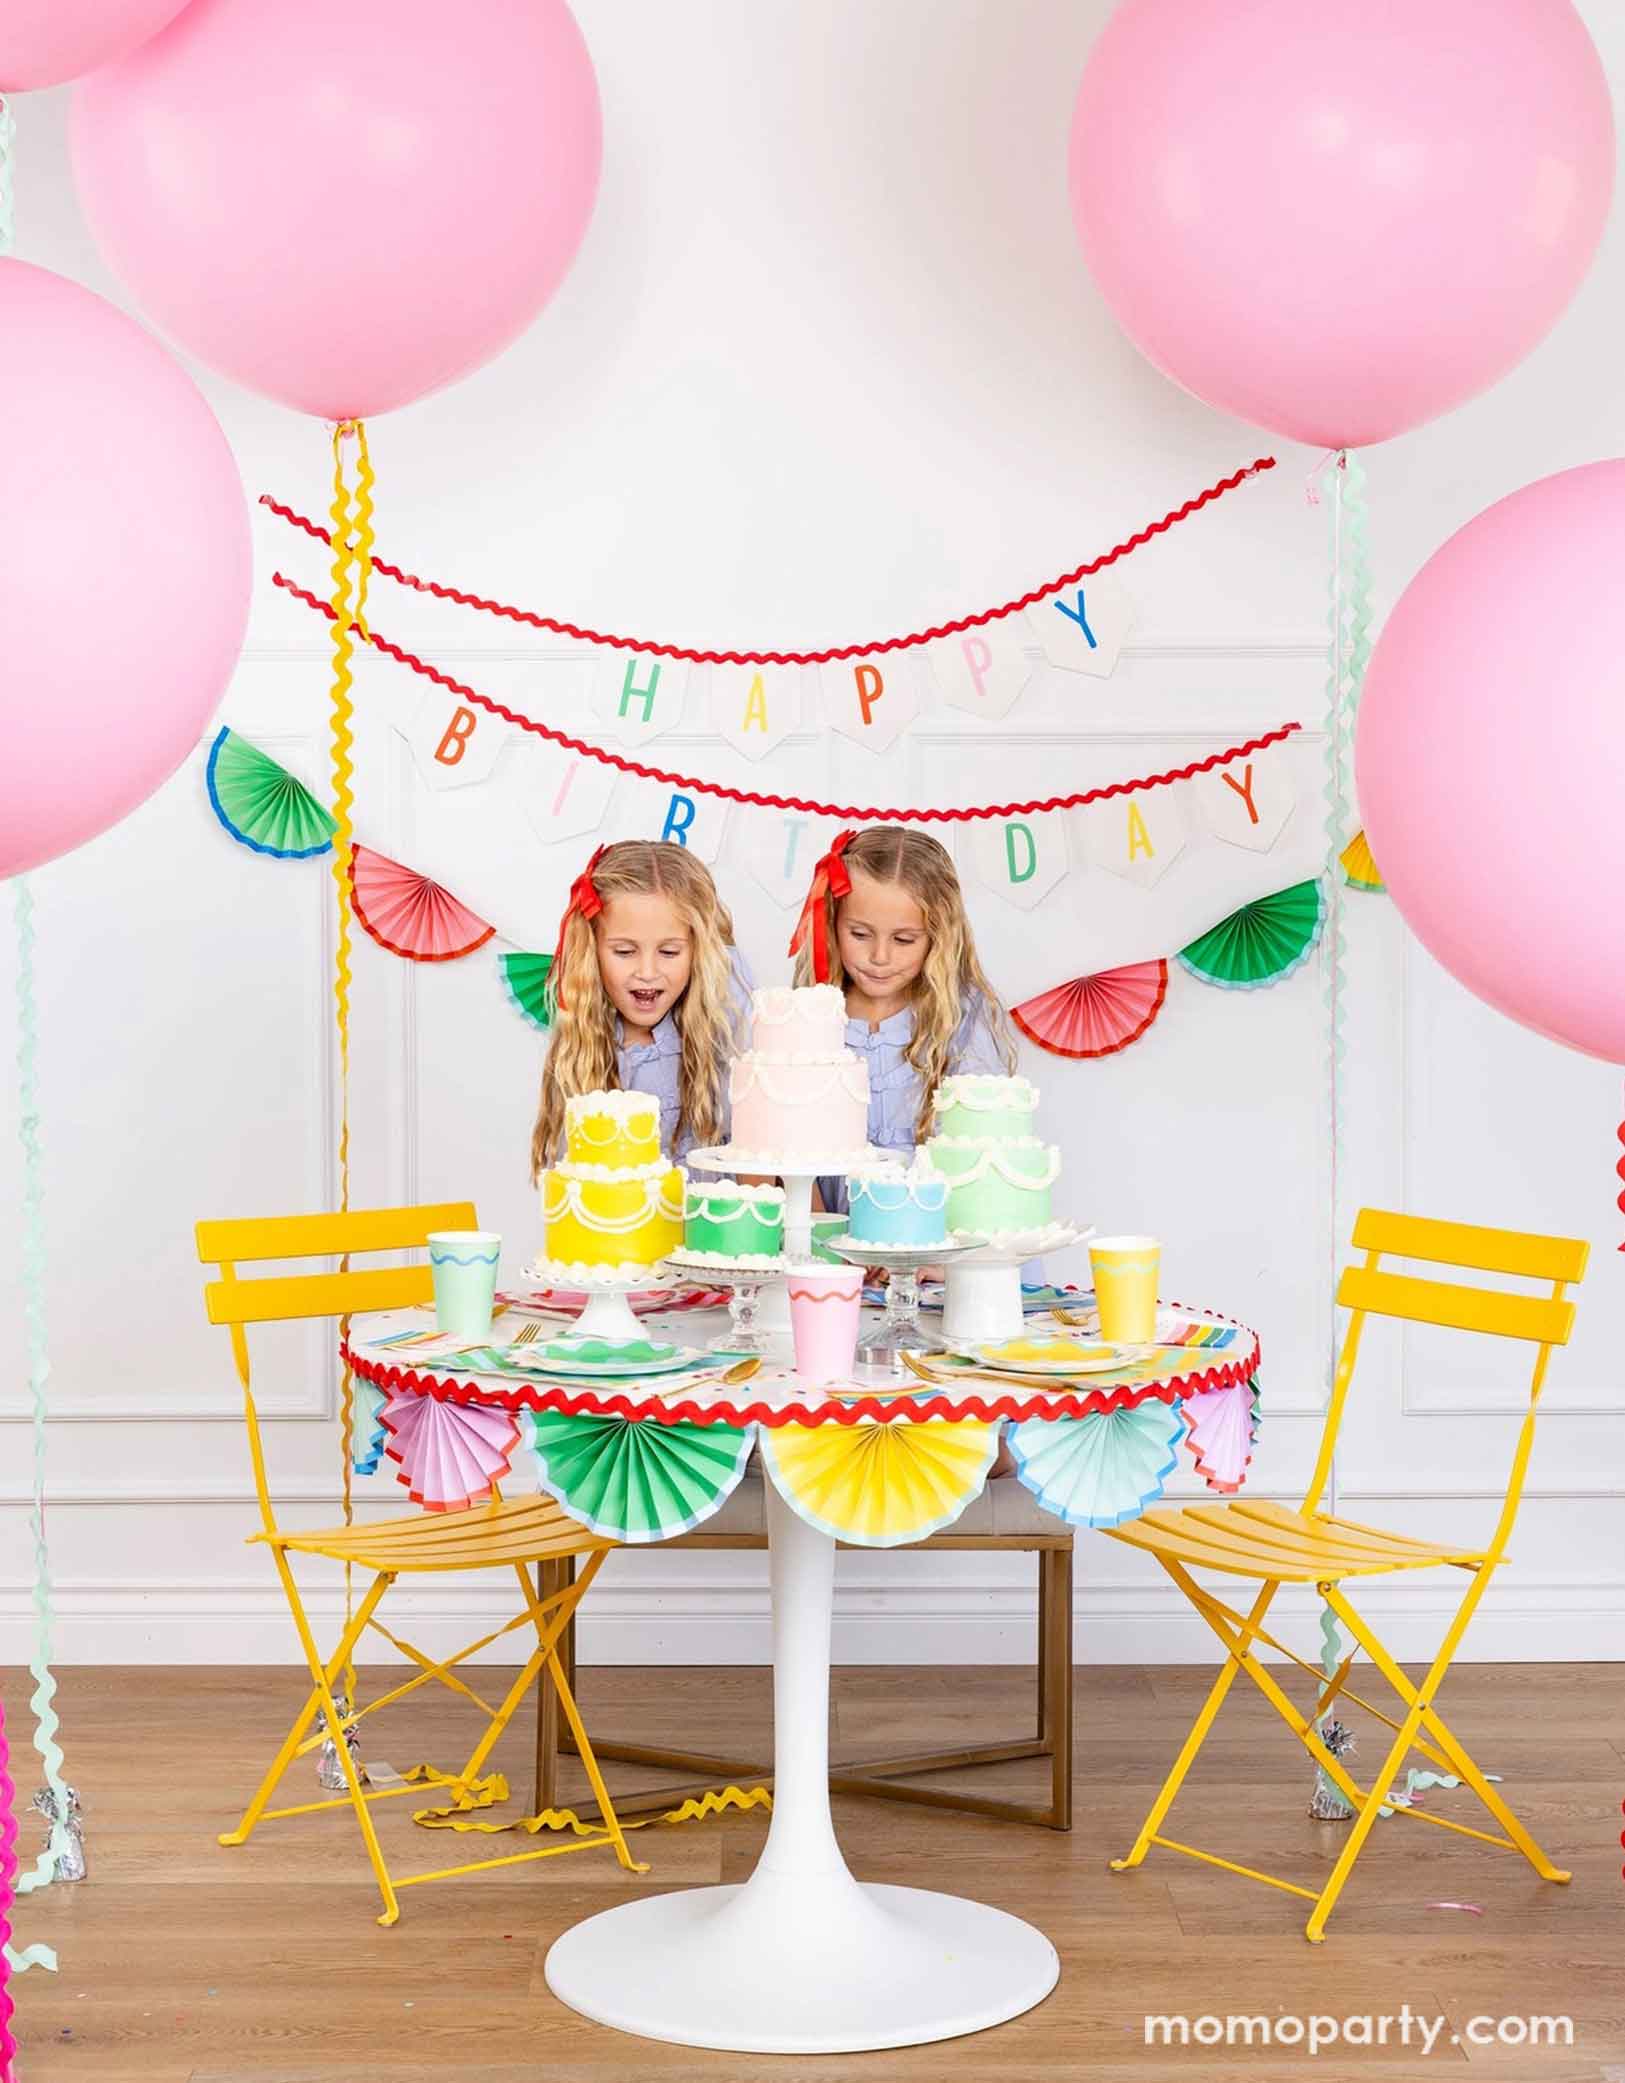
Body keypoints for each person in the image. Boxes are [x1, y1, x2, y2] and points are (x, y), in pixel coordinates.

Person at [789, 824, 1017, 1213]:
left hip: (936, 1243)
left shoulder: (961, 1018)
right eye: (860, 934)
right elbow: (786, 1150)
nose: (880, 957)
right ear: (832, 923)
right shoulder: (809, 1015)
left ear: (937, 936)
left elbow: (978, 1154)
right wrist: (821, 1240)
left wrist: (923, 1245)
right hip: (835, 1251)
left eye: (903, 940)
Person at [529, 839, 750, 1177]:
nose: (647, 972)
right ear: (593, 949)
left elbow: (763, 1140)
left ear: (698, 951)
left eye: (670, 952)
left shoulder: (719, 1021)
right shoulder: (585, 1046)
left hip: (712, 1227)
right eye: (624, 951)